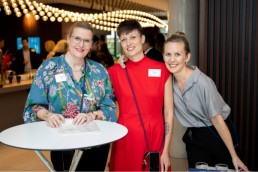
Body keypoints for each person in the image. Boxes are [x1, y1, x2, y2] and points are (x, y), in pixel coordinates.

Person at [23, 21, 117, 171]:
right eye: (77, 38)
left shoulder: (99, 71)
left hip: (96, 145)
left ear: (91, 44)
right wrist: (48, 115)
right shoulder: (49, 68)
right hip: (62, 144)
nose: (81, 44)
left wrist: (92, 115)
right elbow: (33, 107)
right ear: (68, 39)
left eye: (86, 40)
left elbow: (110, 108)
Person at [162, 31, 248, 171]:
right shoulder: (167, 81)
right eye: (168, 54)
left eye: (177, 54)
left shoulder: (203, 82)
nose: (172, 59)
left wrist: (234, 155)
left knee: (228, 167)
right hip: (195, 136)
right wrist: (126, 59)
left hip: (218, 132)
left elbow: (217, 120)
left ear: (187, 57)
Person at [108, 19, 174, 171]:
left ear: (142, 39)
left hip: (154, 134)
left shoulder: (162, 69)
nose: (128, 43)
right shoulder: (114, 72)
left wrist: (165, 150)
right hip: (125, 136)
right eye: (123, 39)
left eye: (132, 37)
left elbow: (169, 112)